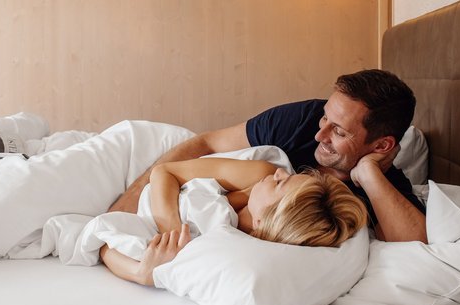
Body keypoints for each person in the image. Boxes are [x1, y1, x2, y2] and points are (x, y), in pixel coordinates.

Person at [109, 69, 427, 243]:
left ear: (382, 146)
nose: (320, 134)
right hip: (180, 183)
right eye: (325, 117)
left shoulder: (386, 189)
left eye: (340, 132)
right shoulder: (302, 120)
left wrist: (369, 175)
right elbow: (207, 142)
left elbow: (415, 244)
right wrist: (125, 207)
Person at [100, 157, 368, 286]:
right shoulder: (258, 174)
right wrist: (171, 229)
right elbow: (164, 170)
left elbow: (104, 244)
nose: (278, 171)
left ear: (264, 220)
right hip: (145, 168)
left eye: (280, 183)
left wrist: (144, 275)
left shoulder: (227, 245)